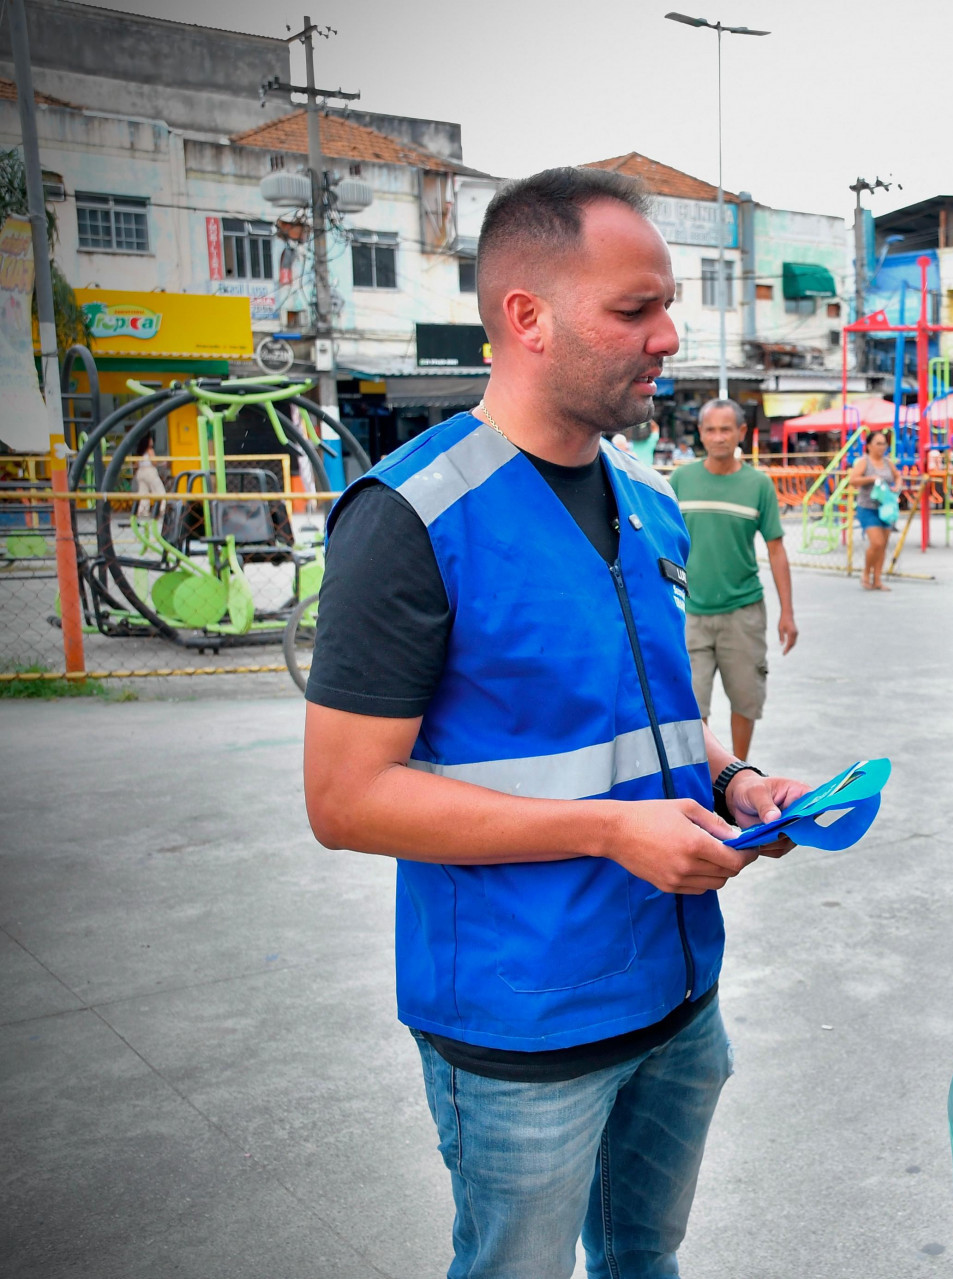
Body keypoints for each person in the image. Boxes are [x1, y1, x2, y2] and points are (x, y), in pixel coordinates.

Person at [301, 167, 814, 1279]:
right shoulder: (410, 518)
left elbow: (655, 710)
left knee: (646, 1258)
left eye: (668, 304)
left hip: (674, 996)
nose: (668, 336)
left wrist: (734, 783)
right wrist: (609, 831)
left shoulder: (645, 497)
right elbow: (345, 800)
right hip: (525, 1021)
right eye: (635, 310)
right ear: (526, 317)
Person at [670, 397, 798, 761]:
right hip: (689, 612)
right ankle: (707, 776)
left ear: (742, 432)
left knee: (746, 698)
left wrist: (787, 612)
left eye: (726, 429)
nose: (719, 437)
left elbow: (776, 549)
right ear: (700, 433)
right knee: (693, 702)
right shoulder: (681, 479)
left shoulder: (758, 485)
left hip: (743, 611)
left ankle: (739, 769)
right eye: (710, 429)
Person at [845, 428, 899, 591]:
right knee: (876, 542)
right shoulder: (864, 462)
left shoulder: (888, 462)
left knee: (883, 545)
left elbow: (897, 476)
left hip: (886, 509)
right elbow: (853, 480)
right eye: (878, 443)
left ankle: (877, 579)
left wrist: (897, 486)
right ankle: (866, 573)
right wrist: (871, 478)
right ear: (869, 446)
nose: (882, 447)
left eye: (884, 444)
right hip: (868, 508)